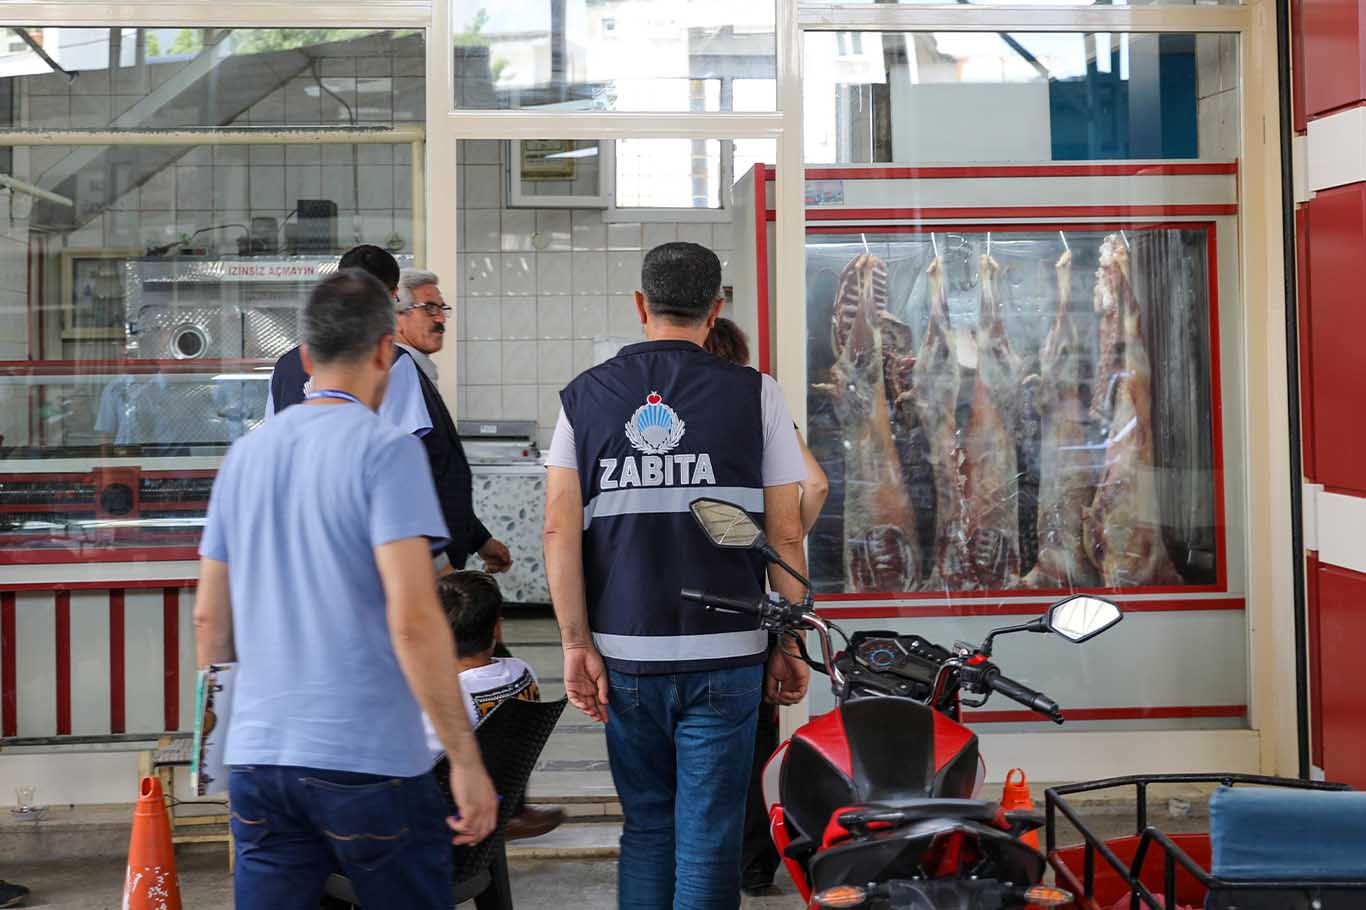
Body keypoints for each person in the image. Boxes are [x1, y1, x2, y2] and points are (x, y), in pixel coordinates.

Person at [194, 269, 497, 909]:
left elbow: (209, 623)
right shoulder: (386, 452)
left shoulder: (244, 457)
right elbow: (415, 622)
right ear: (388, 350)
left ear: (304, 357)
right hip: (367, 761)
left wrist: (213, 750)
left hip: (259, 760)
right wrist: (465, 760)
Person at [543, 242, 812, 909]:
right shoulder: (757, 395)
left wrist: (576, 645)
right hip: (728, 656)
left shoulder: (583, 398)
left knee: (649, 829)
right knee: (709, 834)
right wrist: (791, 641)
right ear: (716, 309)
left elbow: (557, 530)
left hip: (628, 656)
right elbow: (785, 532)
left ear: (641, 305)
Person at [703, 316, 830, 895]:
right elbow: (817, 485)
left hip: (684, 604)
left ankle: (700, 866)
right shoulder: (758, 402)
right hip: (753, 599)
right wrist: (784, 537)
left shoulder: (684, 411)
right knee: (754, 740)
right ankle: (754, 867)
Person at [422, 570, 566, 841]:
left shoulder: (440, 699)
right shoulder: (522, 673)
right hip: (497, 800)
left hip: (444, 822)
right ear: (497, 629)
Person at [393, 269, 511, 574]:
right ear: (396, 316)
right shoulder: (398, 373)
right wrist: (436, 561)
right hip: (425, 567)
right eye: (429, 308)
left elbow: (442, 474)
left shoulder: (417, 372)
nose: (441, 319)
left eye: (442, 309)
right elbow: (405, 482)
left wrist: (479, 540)